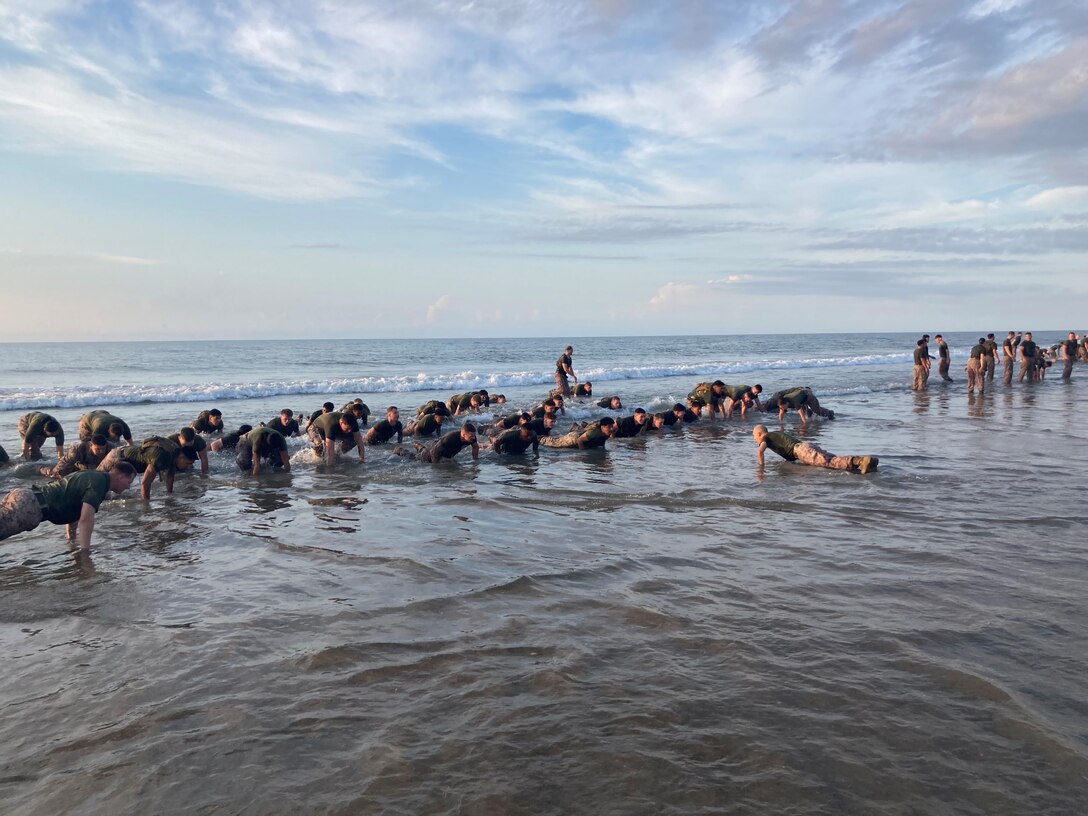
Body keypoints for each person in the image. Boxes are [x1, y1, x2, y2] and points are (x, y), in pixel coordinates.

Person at [0, 462, 137, 550]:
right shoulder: (100, 483)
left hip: (25, 496)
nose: (128, 487)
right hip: (30, 507)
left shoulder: (94, 476)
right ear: (120, 476)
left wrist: (71, 541)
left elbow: (73, 506)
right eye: (129, 481)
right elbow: (86, 519)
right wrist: (85, 553)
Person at [98, 436, 197, 500]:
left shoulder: (174, 454)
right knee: (99, 484)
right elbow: (145, 483)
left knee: (113, 492)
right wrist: (147, 507)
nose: (188, 466)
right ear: (181, 457)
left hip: (128, 461)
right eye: (187, 463)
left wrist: (169, 496)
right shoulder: (161, 457)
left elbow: (170, 477)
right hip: (118, 456)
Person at [752, 425, 877, 474]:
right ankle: (866, 464)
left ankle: (860, 461)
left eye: (754, 436)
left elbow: (760, 451)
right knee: (831, 459)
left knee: (829, 463)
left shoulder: (766, 437)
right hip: (806, 446)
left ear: (759, 434)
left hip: (801, 450)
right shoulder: (775, 434)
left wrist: (760, 469)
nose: (754, 440)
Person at [399, 424, 479, 463]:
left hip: (441, 451)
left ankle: (418, 446)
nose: (473, 438)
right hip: (432, 451)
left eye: (474, 435)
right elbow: (434, 452)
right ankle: (400, 450)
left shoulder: (472, 438)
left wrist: (475, 460)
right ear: (463, 435)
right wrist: (436, 466)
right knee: (414, 458)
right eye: (471, 436)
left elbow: (475, 447)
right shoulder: (450, 438)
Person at [40, 435, 111, 479]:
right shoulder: (77, 450)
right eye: (98, 449)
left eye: (103, 449)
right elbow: (63, 465)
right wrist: (58, 473)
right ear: (90, 445)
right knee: (55, 474)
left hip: (96, 467)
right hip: (78, 465)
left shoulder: (111, 449)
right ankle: (40, 469)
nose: (101, 451)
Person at [764, 387, 834, 423]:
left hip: (808, 396)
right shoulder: (782, 402)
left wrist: (804, 425)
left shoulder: (794, 401)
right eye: (781, 408)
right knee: (807, 413)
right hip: (801, 399)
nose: (783, 409)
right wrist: (780, 424)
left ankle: (829, 413)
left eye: (783, 407)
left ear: (787, 404)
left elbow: (802, 416)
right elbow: (781, 414)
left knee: (816, 410)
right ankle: (811, 417)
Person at [540, 417, 616, 449]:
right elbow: (580, 440)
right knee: (554, 443)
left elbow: (602, 441)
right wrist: (582, 452)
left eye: (612, 426)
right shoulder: (594, 432)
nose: (611, 428)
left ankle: (575, 427)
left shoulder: (607, 432)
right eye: (609, 426)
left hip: (581, 434)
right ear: (602, 427)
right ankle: (540, 438)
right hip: (573, 438)